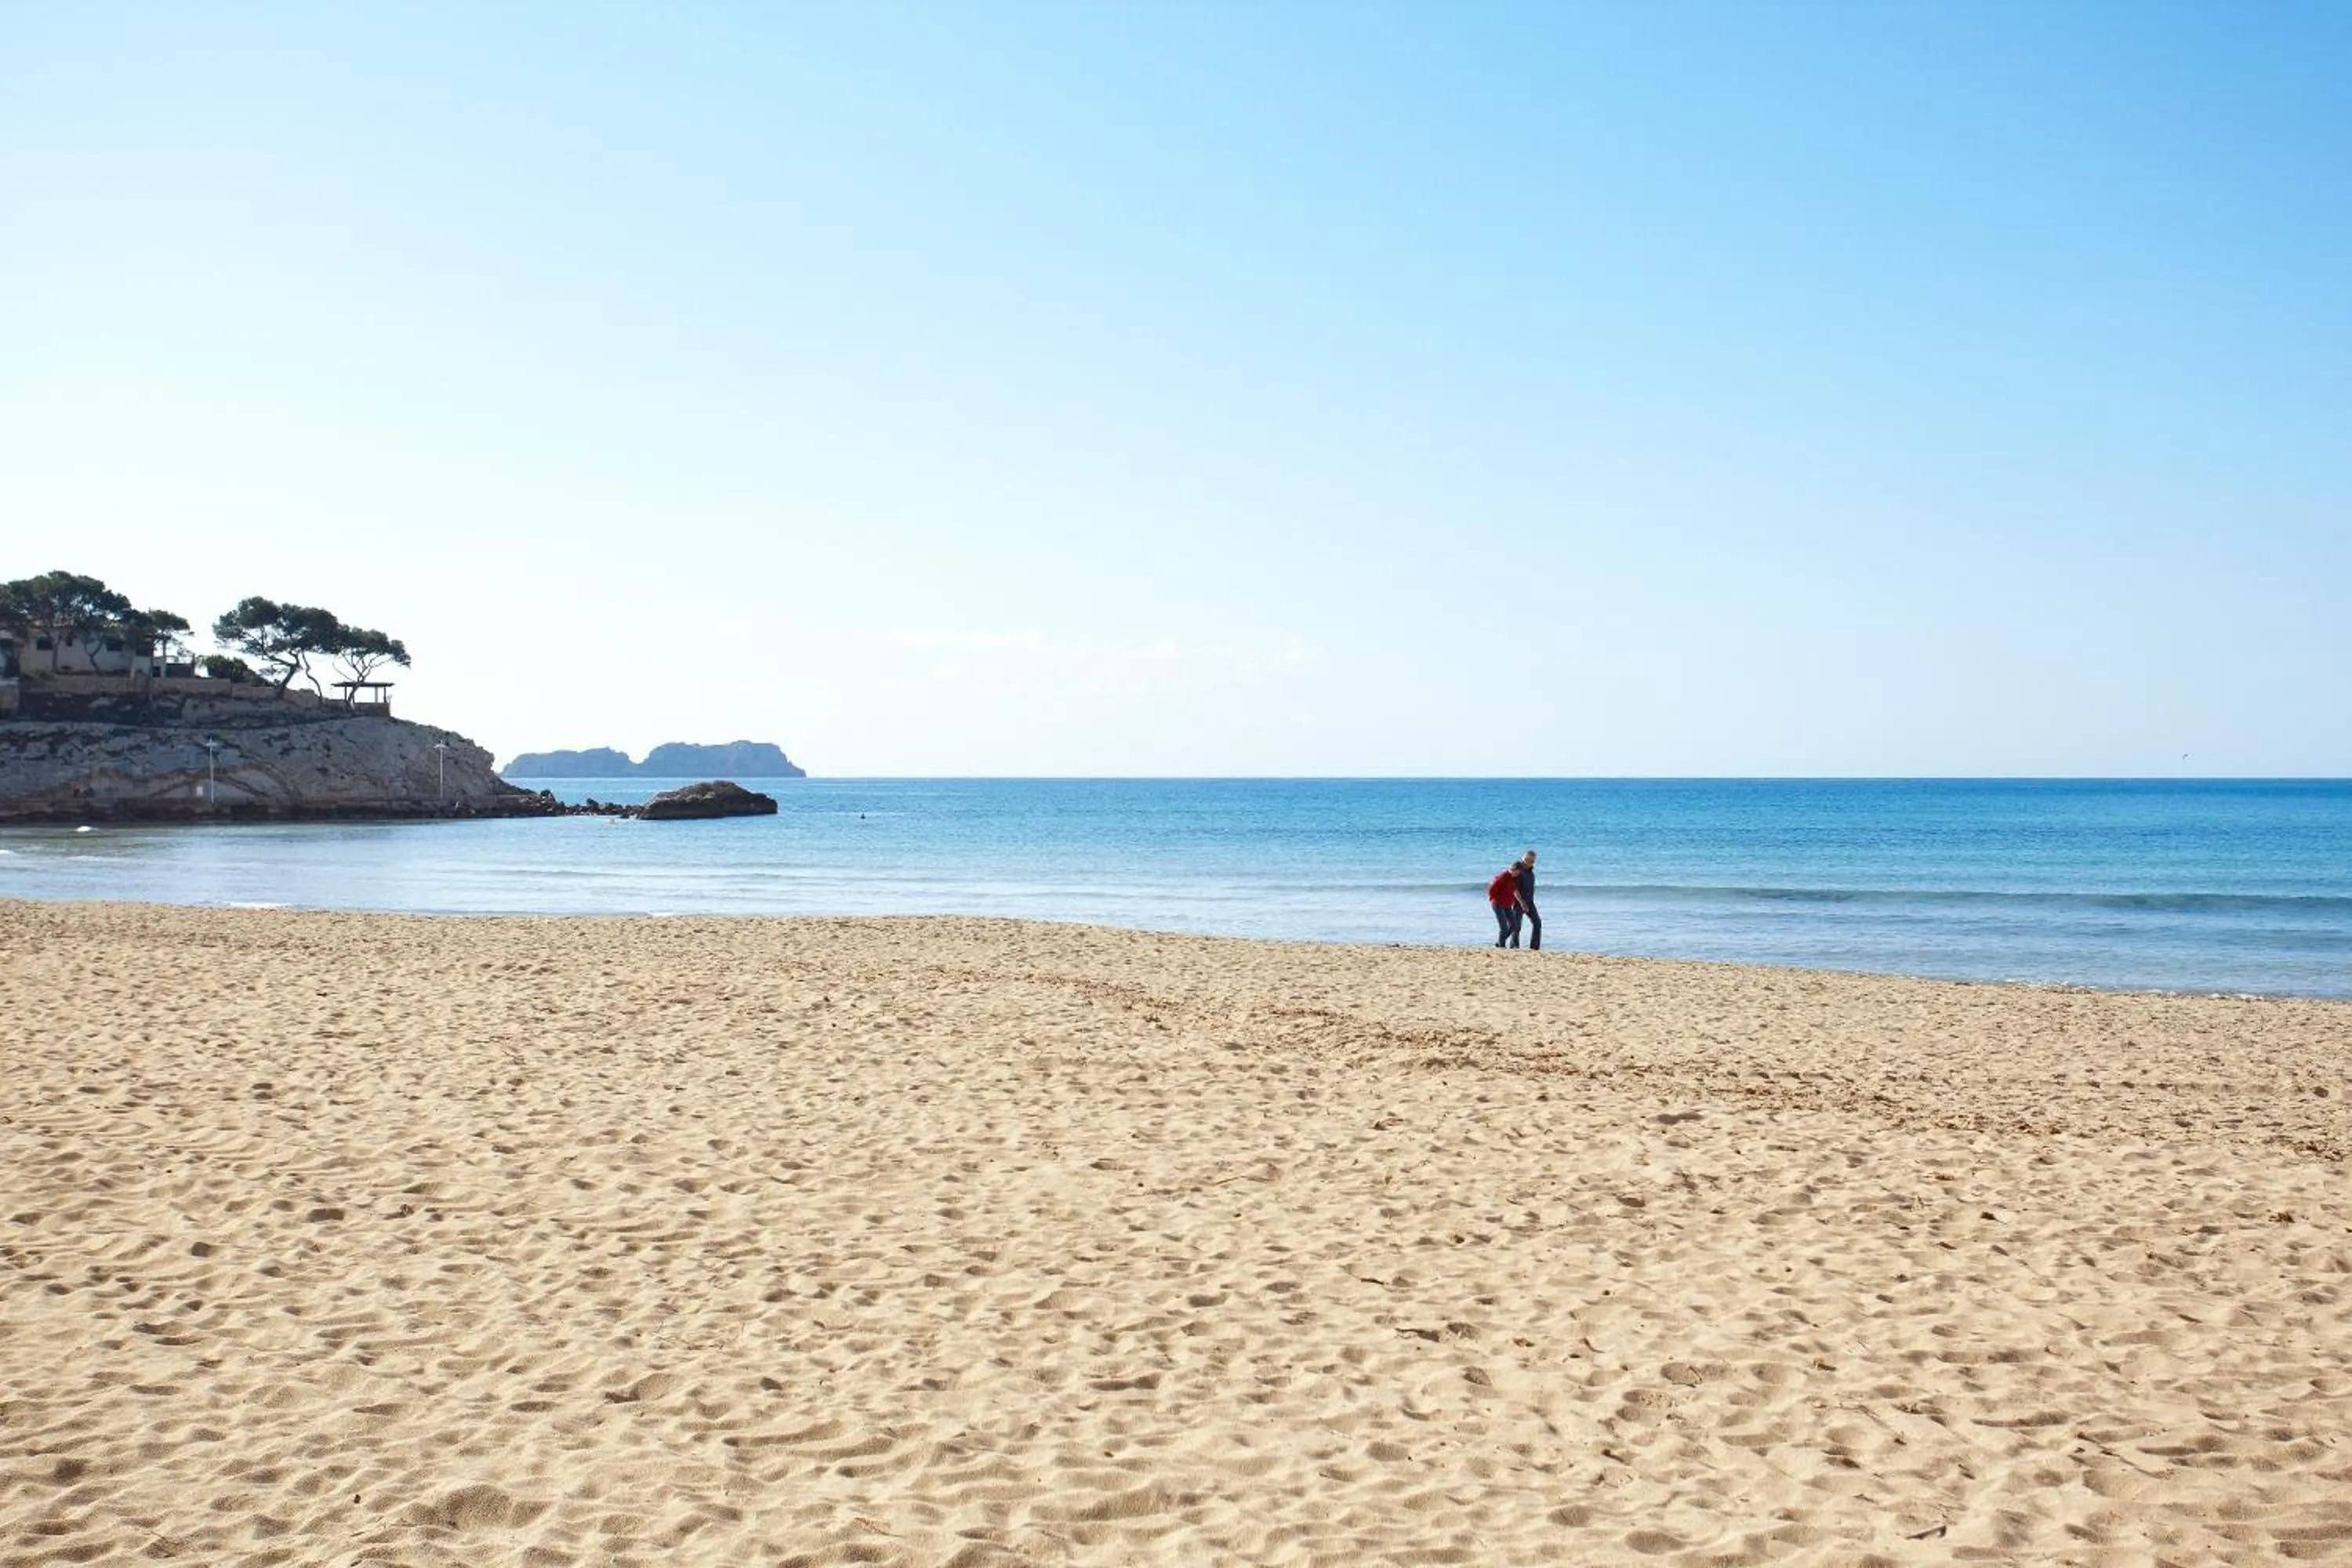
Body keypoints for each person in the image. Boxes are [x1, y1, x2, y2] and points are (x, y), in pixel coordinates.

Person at [1486, 864, 1523, 948]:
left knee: (1513, 925)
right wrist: (1494, 898)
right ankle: (1502, 946)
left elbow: (1515, 890)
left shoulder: (1514, 878)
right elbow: (1491, 889)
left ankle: (1500, 942)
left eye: (1519, 873)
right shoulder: (1503, 876)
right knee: (1504, 927)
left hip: (1507, 905)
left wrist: (1521, 902)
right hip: (1498, 904)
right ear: (1512, 870)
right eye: (1517, 873)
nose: (1517, 874)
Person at [1513, 848, 1541, 952]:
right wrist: (1522, 903)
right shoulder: (1517, 870)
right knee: (1516, 927)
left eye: (1532, 861)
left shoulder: (1531, 872)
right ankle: (1514, 947)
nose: (1529, 863)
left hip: (1530, 902)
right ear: (1523, 859)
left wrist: (1528, 902)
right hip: (1518, 902)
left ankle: (1534, 948)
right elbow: (1514, 889)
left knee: (1537, 923)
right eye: (1527, 860)